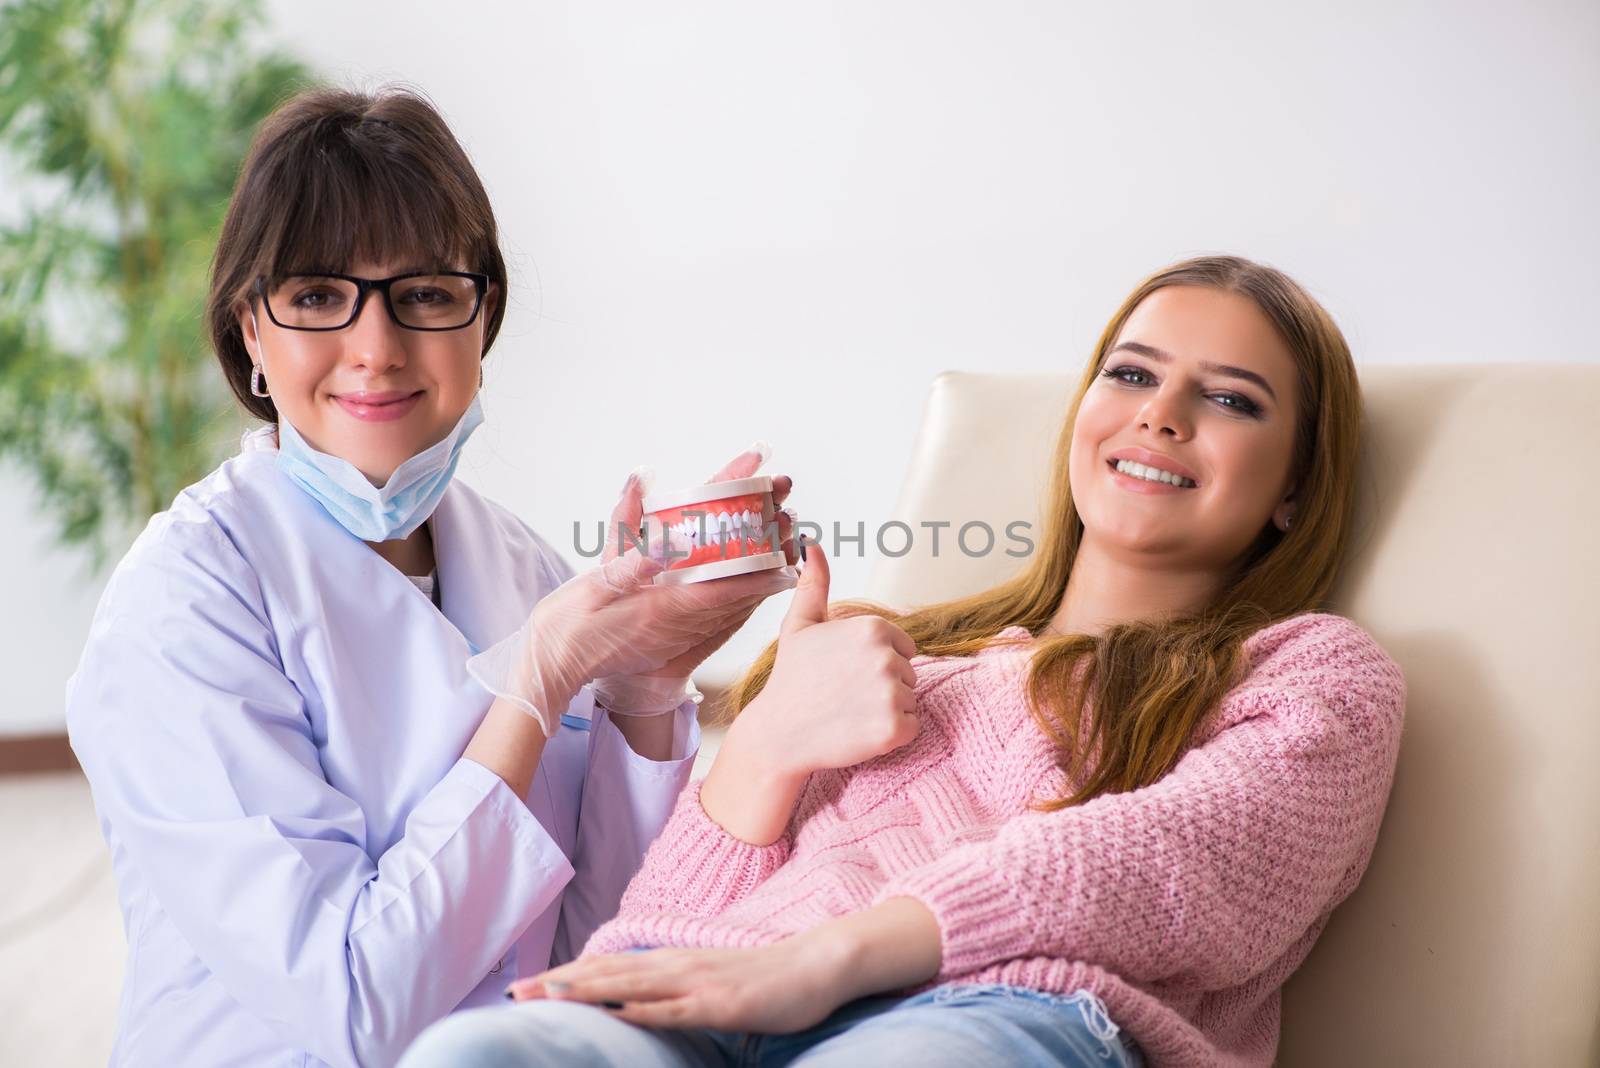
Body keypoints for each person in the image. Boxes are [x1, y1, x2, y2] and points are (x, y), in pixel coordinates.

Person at [397, 255, 1408, 1068]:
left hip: (1004, 1014)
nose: (1160, 413)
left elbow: (1169, 868)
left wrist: (827, 960)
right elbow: (677, 920)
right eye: (1132, 373)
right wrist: (764, 746)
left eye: (1230, 400)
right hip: (729, 999)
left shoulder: (1311, 675)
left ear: (1293, 486)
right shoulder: (891, 652)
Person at [64, 86, 798, 1068]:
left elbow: (598, 955)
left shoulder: (525, 564)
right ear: (250, 329)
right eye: (318, 297)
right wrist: (535, 684)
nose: (376, 349)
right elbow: (354, 1009)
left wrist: (644, 689)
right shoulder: (186, 597)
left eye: (424, 294)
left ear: (478, 317)